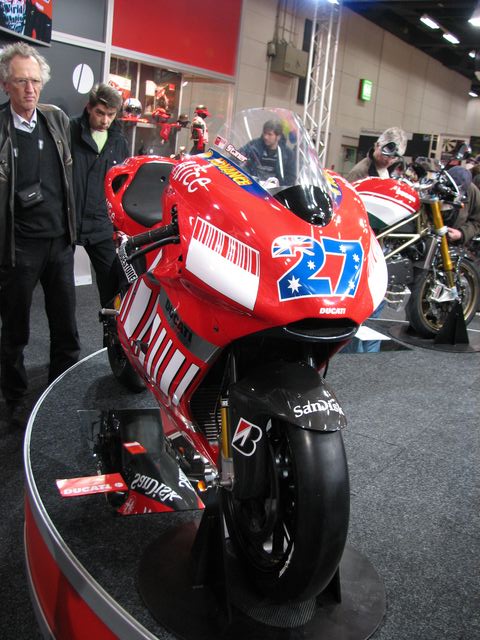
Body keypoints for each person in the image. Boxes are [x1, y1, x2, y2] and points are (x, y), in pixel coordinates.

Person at [0, 41, 80, 426]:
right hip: (18, 248)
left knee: (66, 328)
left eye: (34, 81)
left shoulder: (56, 120)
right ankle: (15, 398)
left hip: (59, 243)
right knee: (15, 331)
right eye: (20, 81)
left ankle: (60, 393)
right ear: (6, 85)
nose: (29, 89)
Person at [70, 83, 128, 306]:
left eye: (111, 115)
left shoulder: (119, 141)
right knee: (59, 288)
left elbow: (121, 185)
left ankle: (111, 327)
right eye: (100, 113)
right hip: (68, 221)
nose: (105, 120)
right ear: (89, 108)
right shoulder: (69, 131)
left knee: (113, 285)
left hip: (101, 224)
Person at [240, 119, 296, 186]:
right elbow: (237, 156)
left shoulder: (288, 154)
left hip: (274, 190)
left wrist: (278, 187)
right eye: (265, 133)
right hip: (252, 186)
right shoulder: (254, 146)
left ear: (278, 137)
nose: (265, 137)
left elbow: (291, 178)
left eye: (270, 134)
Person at [445, 165, 480, 246]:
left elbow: (477, 222)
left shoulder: (473, 192)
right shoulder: (433, 185)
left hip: (451, 244)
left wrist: (461, 233)